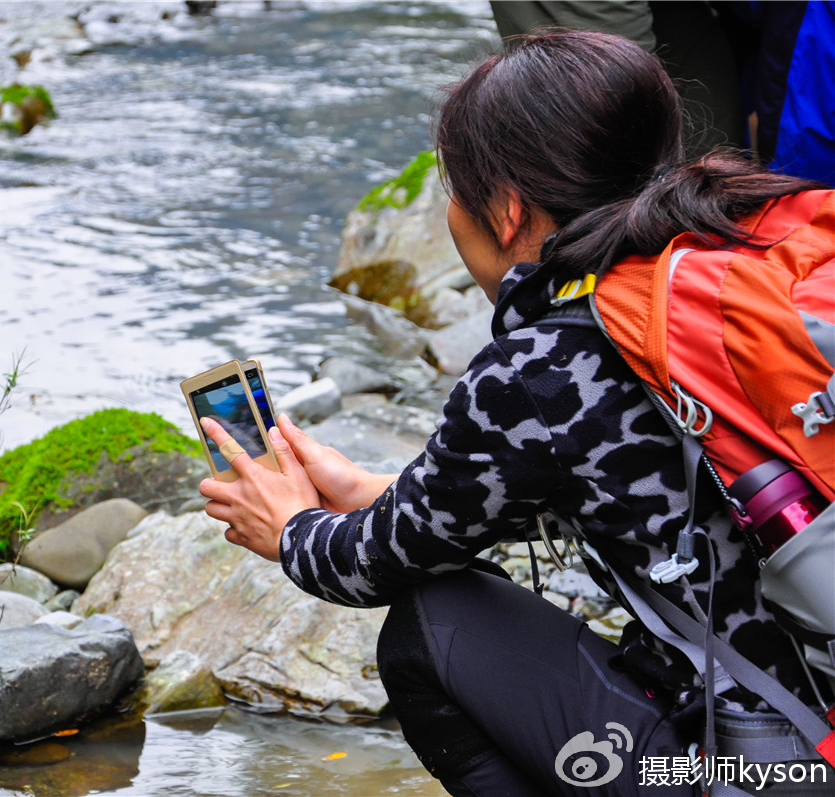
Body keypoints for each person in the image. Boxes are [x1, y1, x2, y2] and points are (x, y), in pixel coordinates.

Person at [197, 31, 833, 796]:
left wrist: (291, 529)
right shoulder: (731, 257)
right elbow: (637, 487)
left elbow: (371, 566)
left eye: (454, 190)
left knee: (432, 623)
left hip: (781, 763)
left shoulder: (541, 365)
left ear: (505, 211)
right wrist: (378, 489)